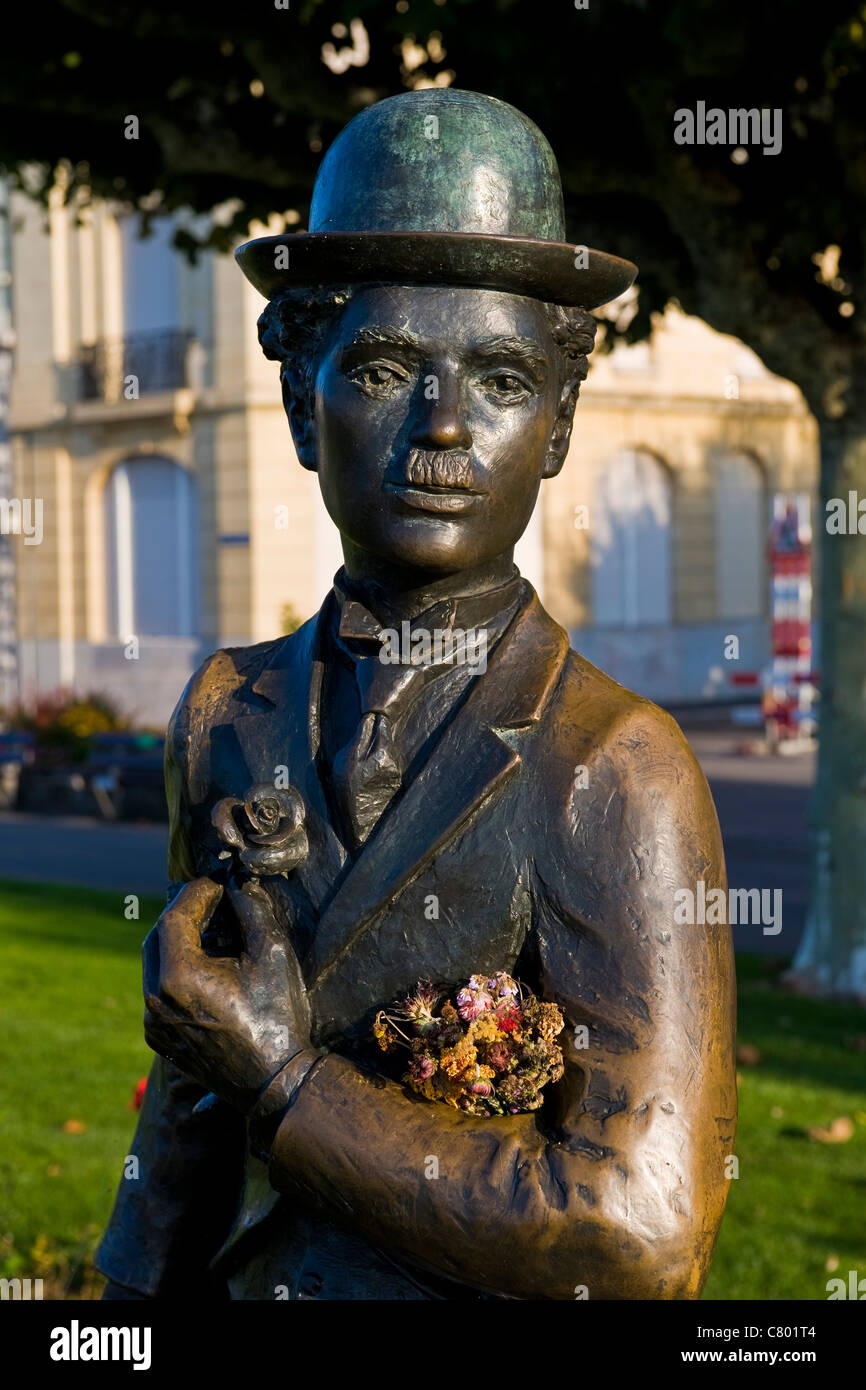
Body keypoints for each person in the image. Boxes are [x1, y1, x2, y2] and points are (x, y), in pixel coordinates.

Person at [98, 88, 736, 1302]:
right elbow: (185, 1111)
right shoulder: (224, 709)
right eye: (388, 367)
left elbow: (642, 1236)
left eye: (498, 379)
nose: (441, 427)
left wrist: (286, 1084)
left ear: (556, 426)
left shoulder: (613, 767)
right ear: (300, 402)